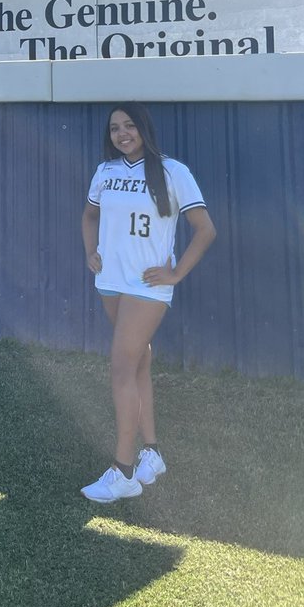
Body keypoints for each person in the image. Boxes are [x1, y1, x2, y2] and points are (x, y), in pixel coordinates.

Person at [80, 103, 216, 503]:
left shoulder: (174, 171)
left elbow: (205, 230)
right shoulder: (105, 171)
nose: (122, 134)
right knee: (137, 363)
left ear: (144, 129)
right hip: (111, 282)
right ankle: (151, 454)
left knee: (121, 367)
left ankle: (123, 472)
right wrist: (92, 251)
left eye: (129, 126)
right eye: (114, 128)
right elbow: (89, 216)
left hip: (146, 287)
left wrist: (175, 275)